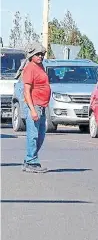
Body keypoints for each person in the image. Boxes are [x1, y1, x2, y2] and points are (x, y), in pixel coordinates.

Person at [22, 42, 51, 173]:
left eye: (42, 54)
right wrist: (33, 110)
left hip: (43, 106)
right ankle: (31, 161)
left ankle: (29, 159)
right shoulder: (30, 68)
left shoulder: (41, 66)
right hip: (35, 106)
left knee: (40, 136)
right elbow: (26, 91)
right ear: (31, 55)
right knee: (33, 136)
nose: (40, 56)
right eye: (37, 54)